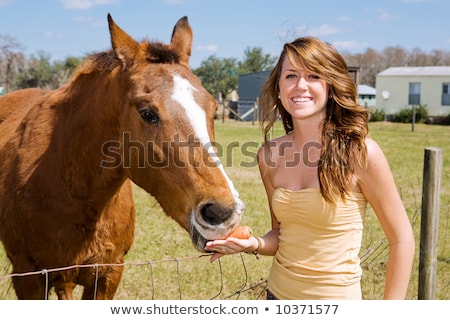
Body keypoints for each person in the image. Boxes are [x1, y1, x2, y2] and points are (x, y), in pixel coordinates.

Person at [205, 36, 415, 300]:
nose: (300, 85)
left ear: (330, 85)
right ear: (279, 88)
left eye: (313, 76)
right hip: (276, 297)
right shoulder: (268, 155)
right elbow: (281, 235)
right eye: (291, 76)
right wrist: (253, 244)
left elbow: (402, 239)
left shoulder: (360, 152)